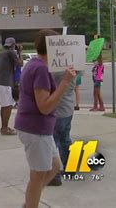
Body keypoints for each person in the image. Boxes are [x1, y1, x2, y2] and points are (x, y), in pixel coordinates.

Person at [14, 29, 76, 208]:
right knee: (37, 175)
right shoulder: (40, 68)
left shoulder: (35, 63)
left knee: (55, 165)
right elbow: (45, 106)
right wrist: (64, 82)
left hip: (40, 128)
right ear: (52, 47)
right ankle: (31, 203)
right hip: (35, 128)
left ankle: (31, 199)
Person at [47, 69, 77, 186]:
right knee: (65, 139)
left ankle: (54, 175)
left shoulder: (56, 71)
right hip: (68, 108)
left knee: (53, 142)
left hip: (57, 110)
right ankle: (70, 168)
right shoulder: (73, 69)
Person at [0, 37, 23, 135]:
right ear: (13, 45)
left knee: (4, 106)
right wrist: (20, 52)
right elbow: (20, 63)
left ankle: (3, 127)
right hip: (5, 82)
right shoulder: (11, 53)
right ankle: (5, 128)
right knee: (8, 106)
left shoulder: (1, 53)